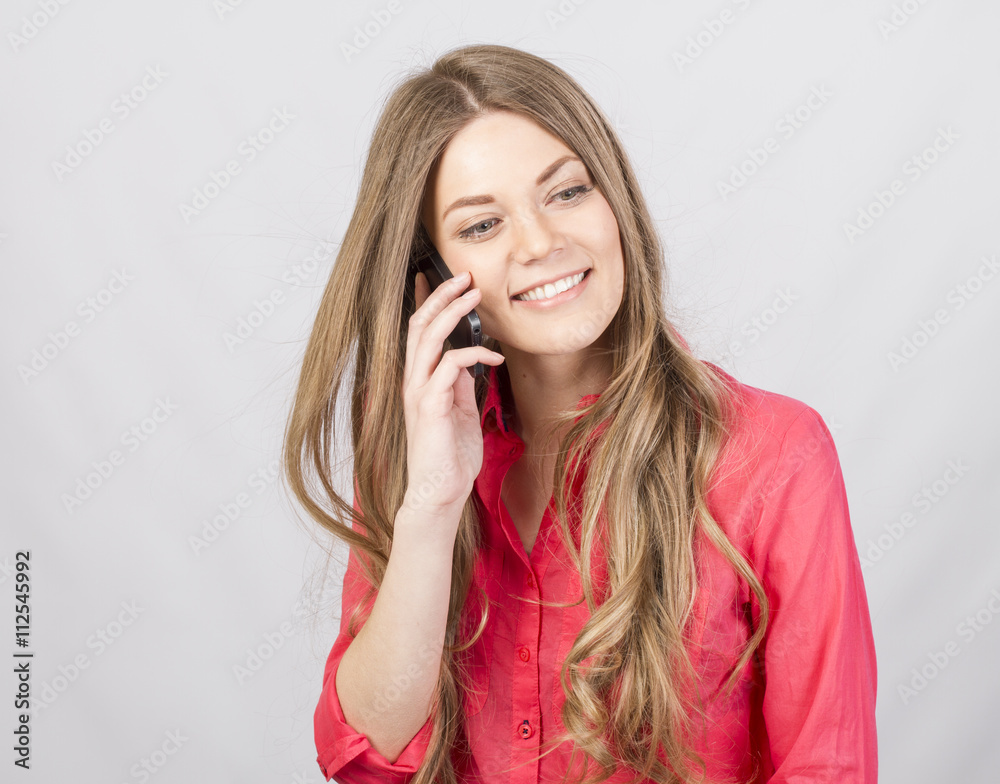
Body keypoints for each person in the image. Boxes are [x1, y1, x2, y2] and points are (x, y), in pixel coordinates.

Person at [281, 44, 878, 784]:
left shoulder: (773, 453)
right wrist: (432, 507)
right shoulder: (419, 460)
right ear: (429, 279)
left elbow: (828, 766)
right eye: (481, 227)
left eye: (565, 192)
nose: (541, 243)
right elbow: (365, 755)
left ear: (613, 198)